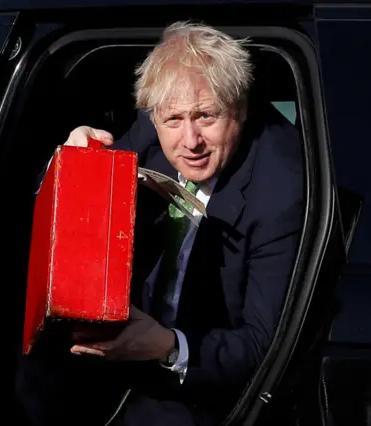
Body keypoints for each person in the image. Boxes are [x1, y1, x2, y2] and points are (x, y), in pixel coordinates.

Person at [16, 21, 304, 426]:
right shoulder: (152, 129)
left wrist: (168, 348)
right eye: (173, 121)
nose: (190, 141)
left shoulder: (280, 191)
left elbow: (263, 350)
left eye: (206, 116)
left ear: (238, 109)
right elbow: (88, 208)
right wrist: (74, 164)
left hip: (199, 376)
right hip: (119, 341)